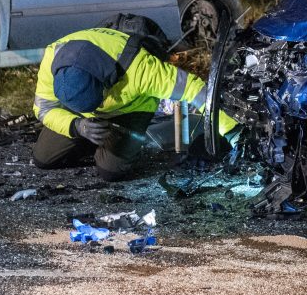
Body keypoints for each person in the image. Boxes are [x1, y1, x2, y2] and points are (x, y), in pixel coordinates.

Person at [32, 26, 239, 180]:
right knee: (43, 158)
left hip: (130, 109)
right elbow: (44, 108)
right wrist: (77, 126)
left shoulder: (140, 70)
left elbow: (196, 91)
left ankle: (112, 140)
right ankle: (90, 136)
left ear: (106, 84)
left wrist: (233, 132)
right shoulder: (53, 59)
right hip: (80, 115)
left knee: (110, 172)